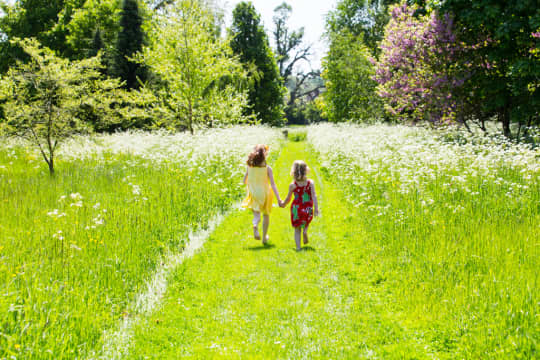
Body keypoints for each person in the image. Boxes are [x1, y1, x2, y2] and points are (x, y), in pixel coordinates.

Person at [242, 144, 281, 244]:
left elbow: (244, 181)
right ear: (265, 156)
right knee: (266, 214)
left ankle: (255, 225)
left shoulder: (249, 167)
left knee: (256, 215)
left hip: (253, 192)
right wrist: (279, 198)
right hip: (265, 193)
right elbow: (273, 184)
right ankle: (264, 237)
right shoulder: (268, 169)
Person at [279, 160, 319, 251]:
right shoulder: (310, 183)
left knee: (297, 229)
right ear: (306, 171)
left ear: (294, 172)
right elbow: (314, 196)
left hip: (296, 209)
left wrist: (283, 204)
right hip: (307, 208)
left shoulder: (293, 185)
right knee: (306, 221)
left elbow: (288, 198)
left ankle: (298, 248)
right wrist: (316, 208)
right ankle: (305, 231)